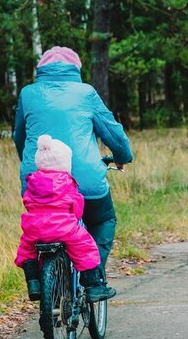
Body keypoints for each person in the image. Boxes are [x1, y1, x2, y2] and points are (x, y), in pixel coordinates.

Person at [13, 46, 133, 286]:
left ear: (42, 69)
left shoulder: (28, 94)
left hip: (37, 182)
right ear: (75, 69)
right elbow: (112, 132)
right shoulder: (85, 93)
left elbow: (19, 136)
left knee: (41, 225)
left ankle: (41, 279)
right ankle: (93, 279)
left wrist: (31, 166)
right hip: (85, 181)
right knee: (103, 221)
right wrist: (123, 156)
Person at [14, 134, 115, 303]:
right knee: (86, 246)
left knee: (26, 251)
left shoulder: (32, 181)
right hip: (63, 228)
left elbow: (27, 201)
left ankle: (33, 282)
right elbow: (77, 205)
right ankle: (93, 286)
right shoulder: (66, 182)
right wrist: (73, 217)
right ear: (64, 163)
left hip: (34, 228)